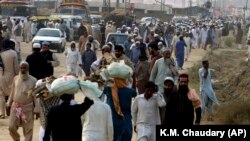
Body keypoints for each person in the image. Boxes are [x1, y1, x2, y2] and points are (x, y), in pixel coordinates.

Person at [7, 61, 37, 141]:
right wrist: (8, 104)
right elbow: (12, 91)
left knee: (28, 129)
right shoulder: (15, 78)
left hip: (27, 108)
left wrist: (37, 109)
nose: (23, 70)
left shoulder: (33, 80)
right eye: (21, 68)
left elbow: (35, 96)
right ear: (19, 69)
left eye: (25, 68)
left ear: (28, 69)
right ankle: (16, 139)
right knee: (11, 126)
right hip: (16, 107)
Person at [0, 39, 19, 118]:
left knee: (1, 95)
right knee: (12, 94)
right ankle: (10, 110)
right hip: (11, 76)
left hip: (1, 76)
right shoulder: (13, 53)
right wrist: (18, 75)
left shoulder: (0, 53)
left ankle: (2, 113)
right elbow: (16, 67)